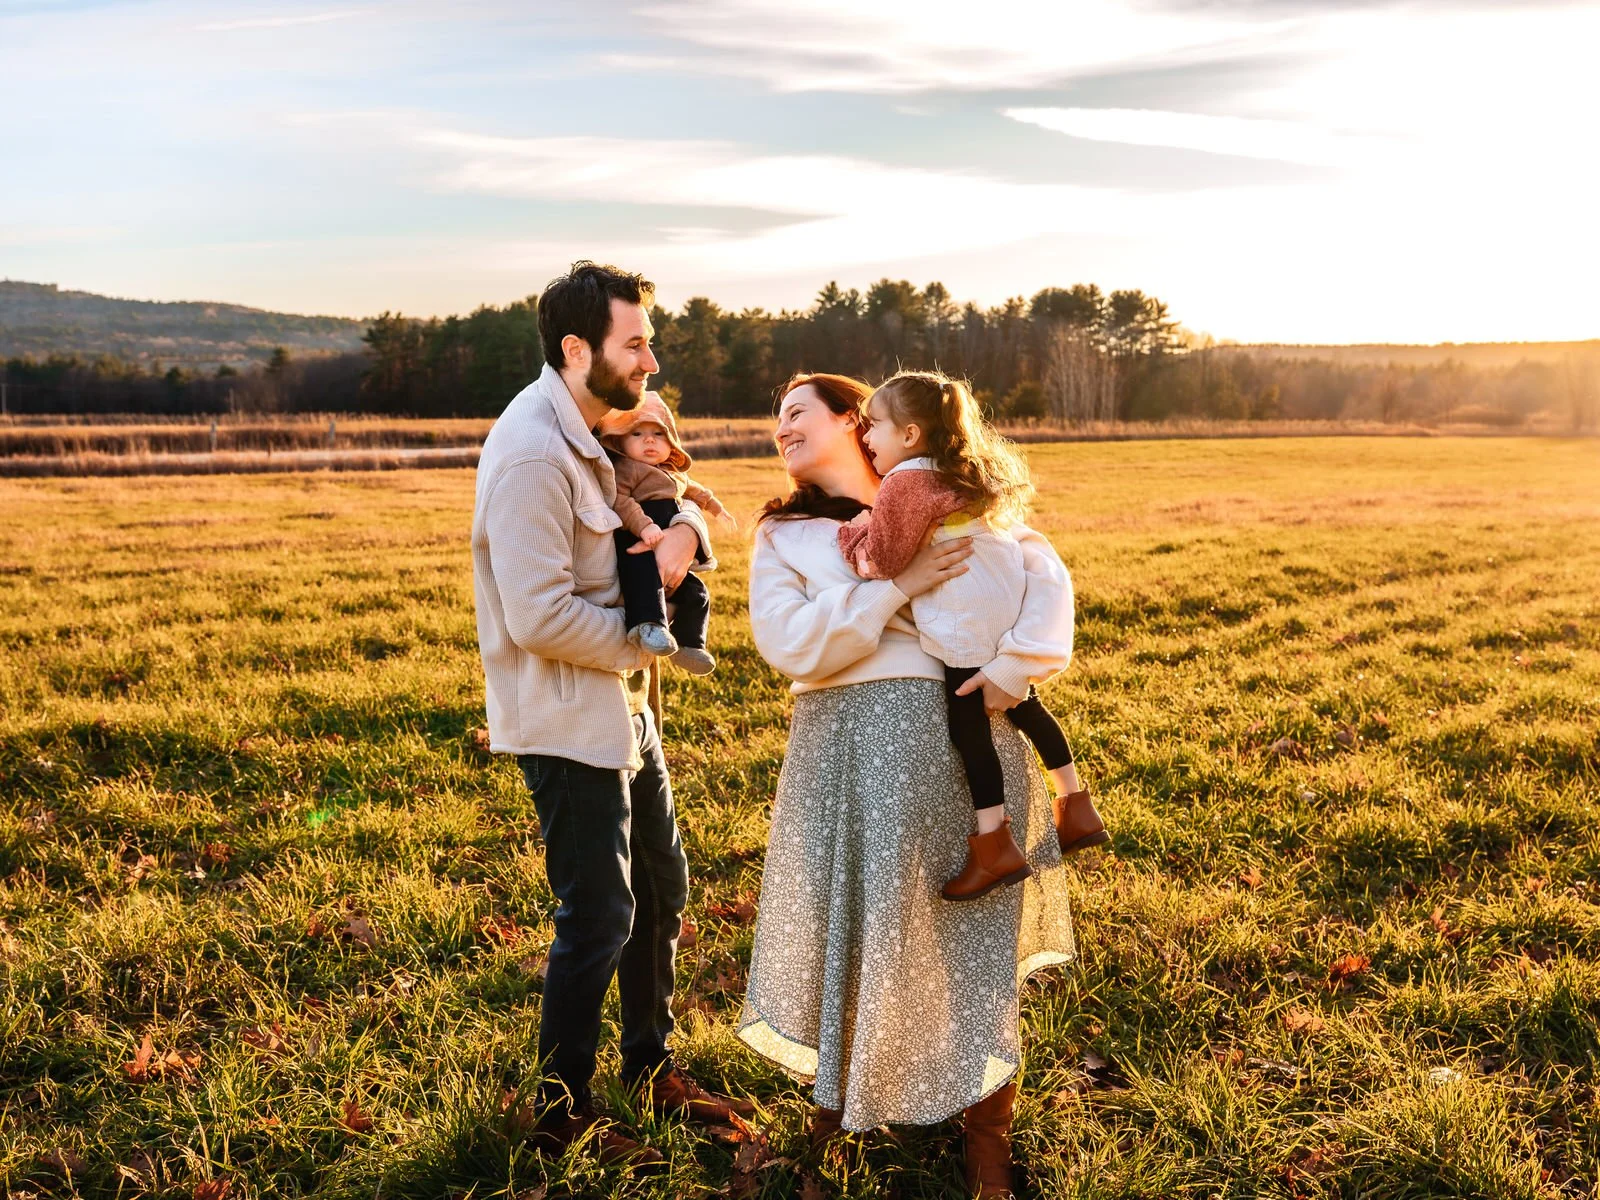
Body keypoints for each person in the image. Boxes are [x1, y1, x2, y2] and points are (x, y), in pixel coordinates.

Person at [737, 373, 1078, 1200]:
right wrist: (897, 587)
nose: (781, 428)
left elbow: (1041, 577)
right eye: (777, 418)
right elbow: (789, 643)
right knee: (851, 923)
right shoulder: (785, 534)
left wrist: (1013, 669)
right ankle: (837, 1105)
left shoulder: (952, 499)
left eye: (796, 412)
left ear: (856, 422)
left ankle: (986, 1130)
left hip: (960, 744)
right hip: (843, 748)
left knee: (969, 936)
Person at [471, 260, 752, 1170]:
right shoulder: (533, 454)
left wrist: (685, 534)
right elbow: (538, 617)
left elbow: (671, 503)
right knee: (597, 916)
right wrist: (646, 640)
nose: (651, 361)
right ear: (576, 348)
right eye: (636, 344)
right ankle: (560, 1113)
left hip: (626, 714)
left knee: (660, 891)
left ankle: (650, 1067)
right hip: (565, 720)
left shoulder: (597, 433)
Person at [837, 369, 1108, 902]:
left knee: (969, 727)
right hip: (998, 589)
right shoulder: (958, 469)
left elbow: (885, 559)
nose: (866, 438)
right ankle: (1076, 807)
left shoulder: (904, 480)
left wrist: (853, 536)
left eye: (875, 425)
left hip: (963, 610)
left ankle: (993, 845)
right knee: (1026, 705)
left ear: (910, 434)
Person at [597, 393, 734, 676]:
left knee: (696, 592)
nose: (649, 440)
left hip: (665, 538)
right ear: (620, 442)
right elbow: (619, 500)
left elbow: (694, 491)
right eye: (637, 434)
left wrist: (717, 508)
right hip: (638, 539)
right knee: (644, 582)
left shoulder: (672, 472)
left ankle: (690, 643)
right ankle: (647, 625)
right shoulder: (626, 469)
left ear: (671, 442)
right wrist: (643, 525)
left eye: (658, 434)